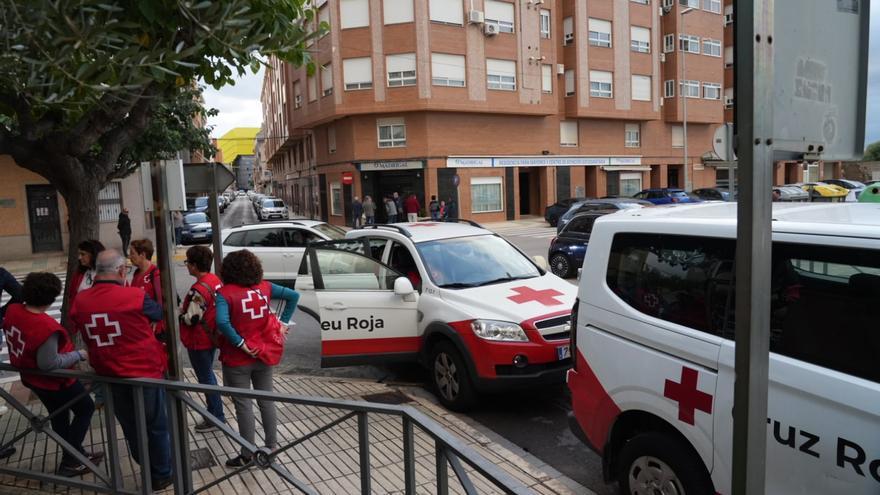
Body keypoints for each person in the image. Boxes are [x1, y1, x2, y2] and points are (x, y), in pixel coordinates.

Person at [69, 250, 172, 490]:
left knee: (131, 427)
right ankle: (161, 474)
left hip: (109, 375)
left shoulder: (81, 300)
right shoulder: (135, 296)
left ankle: (145, 466)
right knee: (156, 426)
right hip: (144, 373)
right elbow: (158, 313)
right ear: (121, 270)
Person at [2, 272, 103, 476]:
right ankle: (71, 458)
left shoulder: (13, 310)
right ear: (51, 298)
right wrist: (79, 354)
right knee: (85, 408)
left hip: (31, 378)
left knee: (59, 415)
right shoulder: (45, 327)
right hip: (56, 382)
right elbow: (48, 363)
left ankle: (75, 455)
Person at [214, 250, 299, 468]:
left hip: (238, 358)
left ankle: (248, 454)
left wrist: (240, 343)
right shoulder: (265, 287)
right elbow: (293, 296)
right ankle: (272, 448)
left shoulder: (225, 294)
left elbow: (222, 322)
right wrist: (283, 324)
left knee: (243, 405)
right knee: (266, 401)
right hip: (264, 353)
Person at [179, 246, 226, 432]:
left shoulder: (199, 289)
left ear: (194, 265)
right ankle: (215, 414)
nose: (186, 266)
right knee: (208, 375)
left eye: (187, 262)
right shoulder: (215, 280)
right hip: (211, 335)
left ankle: (216, 417)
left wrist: (178, 315)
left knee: (206, 378)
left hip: (199, 340)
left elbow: (191, 319)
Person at [127, 239, 165, 339]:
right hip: (141, 327)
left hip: (155, 330)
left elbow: (162, 301)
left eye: (132, 253)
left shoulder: (155, 274)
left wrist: (157, 320)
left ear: (143, 255)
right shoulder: (136, 273)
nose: (129, 257)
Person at [66, 240, 105, 317]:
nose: (79, 257)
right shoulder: (79, 273)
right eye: (79, 254)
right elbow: (72, 294)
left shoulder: (107, 274)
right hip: (80, 315)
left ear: (94, 254)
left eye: (83, 254)